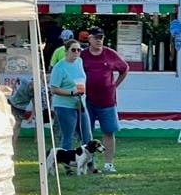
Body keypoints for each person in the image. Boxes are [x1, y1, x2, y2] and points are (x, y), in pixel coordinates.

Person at [80, 27, 129, 173]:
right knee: (87, 132)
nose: (99, 40)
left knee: (109, 131)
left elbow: (124, 68)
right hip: (87, 100)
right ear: (89, 39)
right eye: (96, 38)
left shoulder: (110, 54)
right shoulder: (82, 55)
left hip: (107, 101)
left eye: (101, 38)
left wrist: (115, 86)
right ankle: (88, 164)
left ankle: (108, 164)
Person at [49, 40, 91, 150]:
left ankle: (90, 164)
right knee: (68, 136)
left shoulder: (79, 62)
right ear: (66, 51)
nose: (76, 52)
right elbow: (54, 89)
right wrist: (72, 92)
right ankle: (67, 163)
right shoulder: (59, 67)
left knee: (87, 136)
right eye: (73, 50)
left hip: (80, 103)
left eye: (79, 50)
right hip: (64, 105)